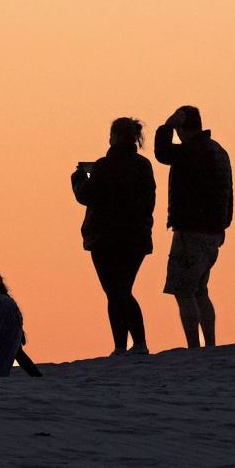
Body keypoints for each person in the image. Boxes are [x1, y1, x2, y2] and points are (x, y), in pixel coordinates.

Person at [71, 117, 156, 356]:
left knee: (116, 292)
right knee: (122, 290)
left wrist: (78, 178)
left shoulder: (105, 165)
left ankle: (127, 345)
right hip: (136, 239)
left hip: (106, 239)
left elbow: (85, 196)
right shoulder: (143, 165)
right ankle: (134, 344)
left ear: (114, 137)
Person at [154, 106, 233, 348]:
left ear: (181, 127)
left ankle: (194, 346)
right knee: (200, 289)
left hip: (191, 231)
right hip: (212, 231)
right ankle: (209, 343)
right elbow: (228, 192)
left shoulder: (191, 151)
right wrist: (223, 225)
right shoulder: (218, 151)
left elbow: (163, 153)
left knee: (184, 290)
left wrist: (166, 125)